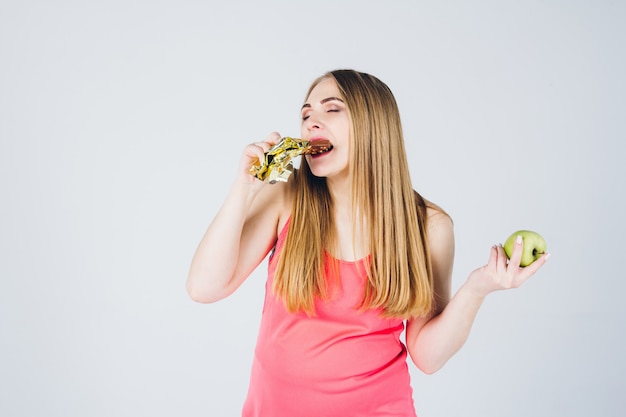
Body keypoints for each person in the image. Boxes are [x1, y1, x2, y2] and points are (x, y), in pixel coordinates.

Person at [186, 69, 549, 417]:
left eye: (332, 109)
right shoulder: (286, 199)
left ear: (374, 126)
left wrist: (477, 288)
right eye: (306, 114)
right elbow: (204, 288)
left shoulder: (428, 226)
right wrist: (243, 189)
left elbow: (427, 356)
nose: (311, 122)